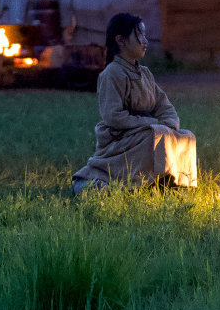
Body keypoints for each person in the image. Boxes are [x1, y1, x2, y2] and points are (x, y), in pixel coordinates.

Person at [72, 13, 197, 193]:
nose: (145, 41)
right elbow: (114, 117)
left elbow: (164, 106)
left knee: (186, 136)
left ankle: (171, 183)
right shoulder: (112, 73)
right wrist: (152, 124)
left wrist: (170, 125)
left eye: (145, 35)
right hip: (121, 139)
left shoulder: (145, 73)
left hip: (145, 132)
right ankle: (133, 183)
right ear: (121, 40)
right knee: (157, 135)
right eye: (139, 35)